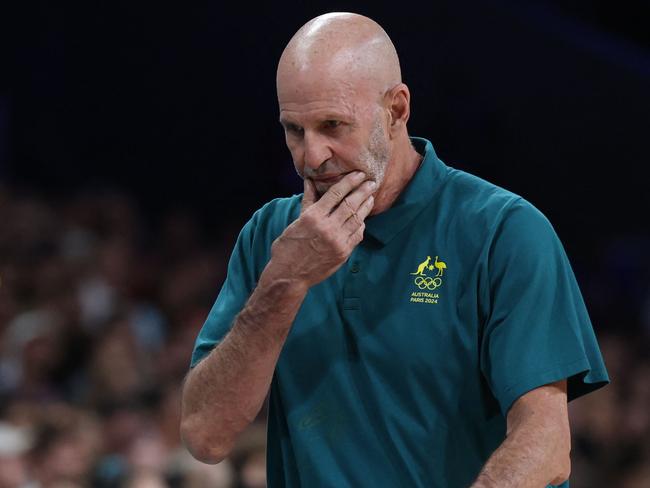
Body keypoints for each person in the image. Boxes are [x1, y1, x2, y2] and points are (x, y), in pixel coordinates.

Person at [180, 12, 609, 488]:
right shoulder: (270, 235)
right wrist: (287, 281)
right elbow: (205, 436)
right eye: (294, 130)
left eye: (333, 125)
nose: (311, 156)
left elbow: (546, 445)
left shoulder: (502, 230)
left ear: (397, 109)